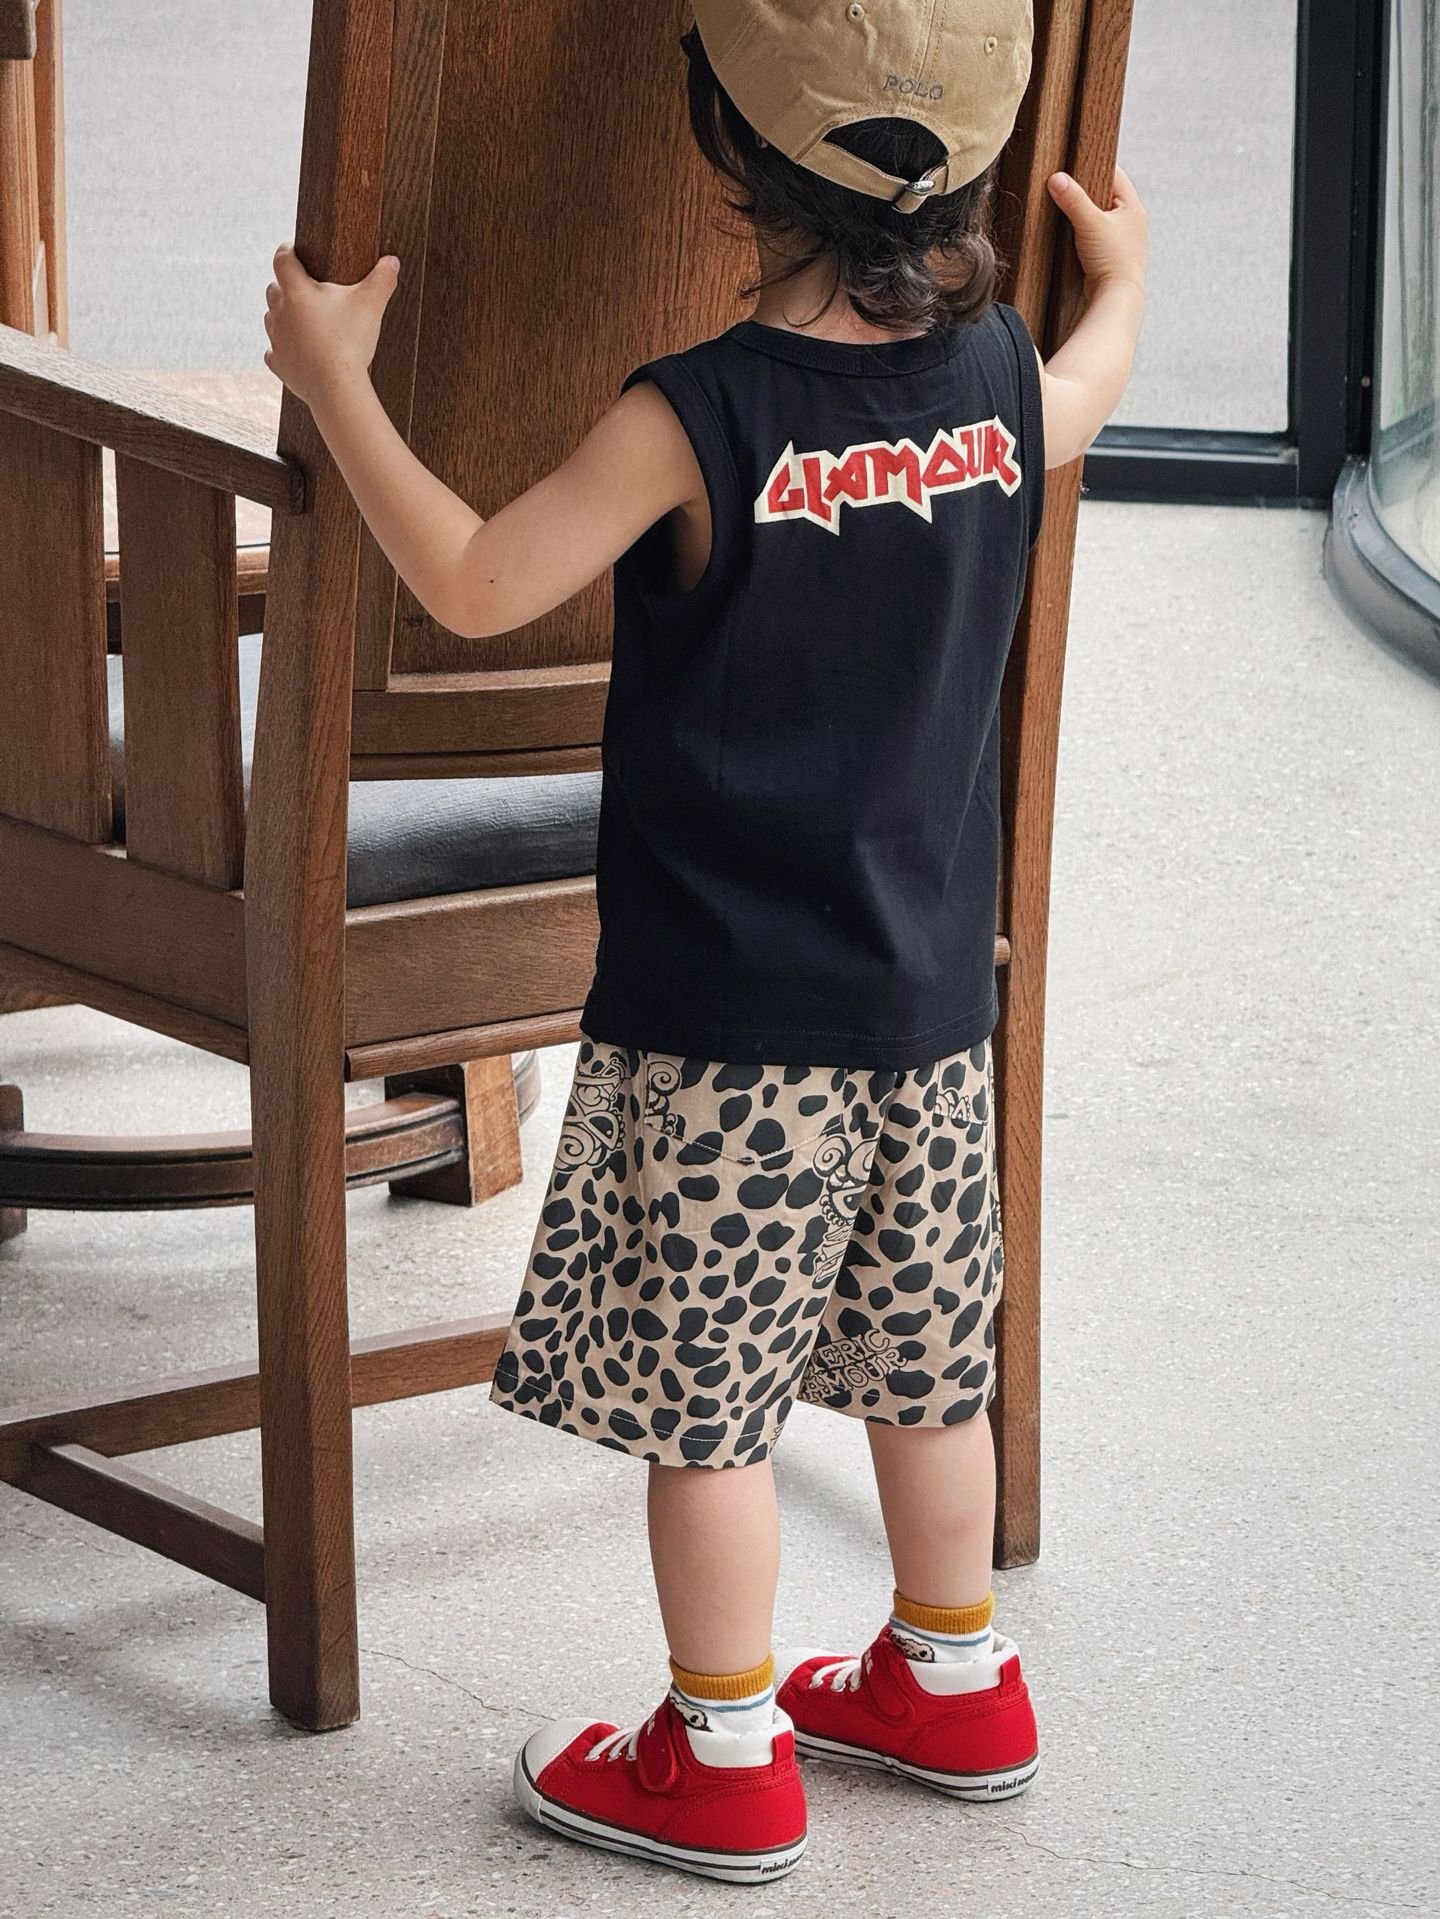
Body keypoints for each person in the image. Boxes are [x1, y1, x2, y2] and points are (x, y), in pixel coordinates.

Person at [264, 0, 1147, 1885]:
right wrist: (1126, 282)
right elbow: (1093, 387)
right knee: (931, 1368)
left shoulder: (700, 411)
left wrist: (338, 385)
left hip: (728, 1026)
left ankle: (724, 1751)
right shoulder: (1001, 378)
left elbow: (477, 583)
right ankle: (956, 1678)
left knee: (715, 1414)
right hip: (931, 1011)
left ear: (729, 146)